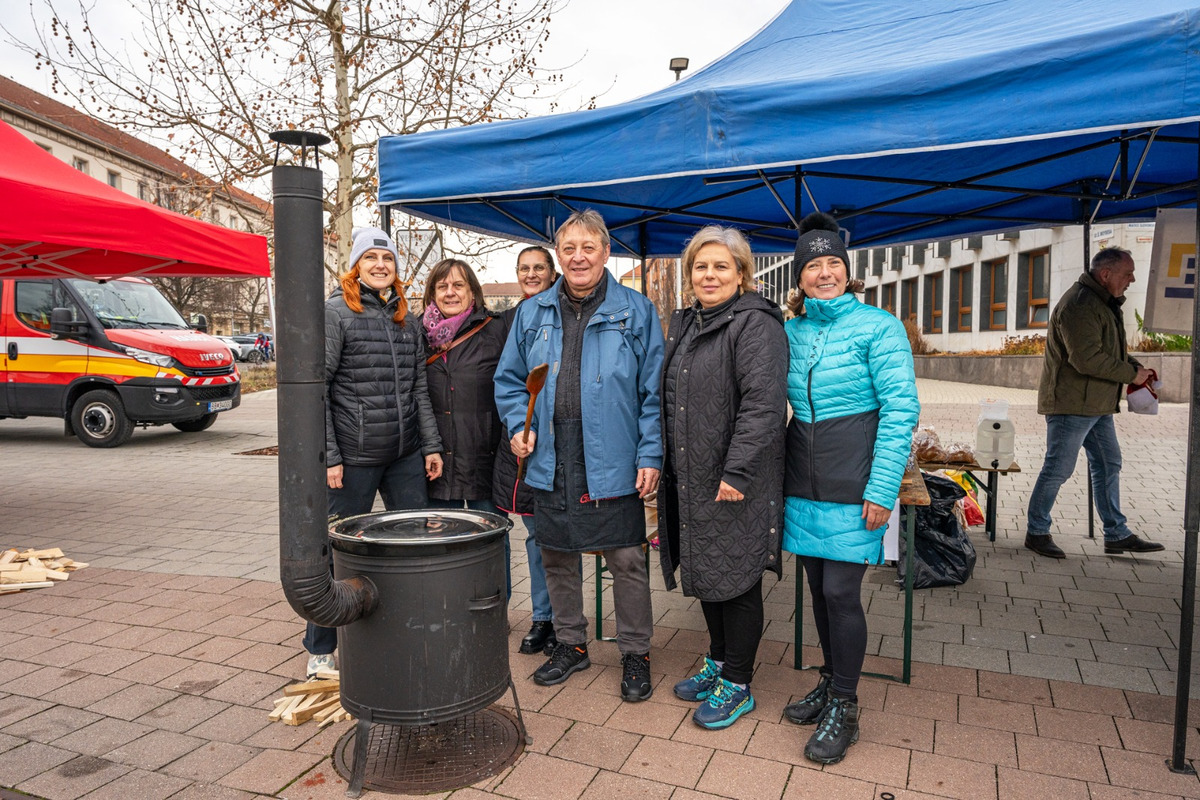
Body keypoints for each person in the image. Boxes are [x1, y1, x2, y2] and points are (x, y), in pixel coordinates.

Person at [495, 209, 664, 701]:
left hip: (612, 452)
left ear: (606, 252)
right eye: (568, 249)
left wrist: (649, 453)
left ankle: (636, 652)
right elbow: (509, 382)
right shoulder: (532, 312)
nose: (578, 257)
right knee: (556, 554)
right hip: (550, 453)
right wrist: (516, 428)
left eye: (588, 247)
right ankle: (571, 643)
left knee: (627, 558)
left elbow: (652, 391)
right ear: (558, 256)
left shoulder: (636, 310)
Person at [782, 212, 919, 764]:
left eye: (833, 264)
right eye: (812, 266)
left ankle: (846, 703)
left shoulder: (878, 327)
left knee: (841, 592)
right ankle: (829, 678)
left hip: (855, 479)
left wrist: (883, 489)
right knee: (817, 590)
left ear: (848, 271)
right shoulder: (790, 330)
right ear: (799, 277)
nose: (824, 273)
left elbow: (901, 408)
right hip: (803, 478)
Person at [659, 226, 787, 729]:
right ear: (689, 274)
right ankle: (717, 661)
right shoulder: (687, 322)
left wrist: (737, 468)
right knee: (709, 572)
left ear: (741, 272)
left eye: (720, 266)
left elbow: (763, 404)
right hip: (691, 473)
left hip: (734, 477)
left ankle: (738, 681)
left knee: (737, 580)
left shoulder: (755, 325)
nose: (709, 275)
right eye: (700, 266)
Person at [305, 227, 444, 679]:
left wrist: (430, 445)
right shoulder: (336, 313)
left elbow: (419, 388)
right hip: (354, 457)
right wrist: (329, 456)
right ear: (356, 266)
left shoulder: (407, 318)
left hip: (404, 455)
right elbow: (318, 390)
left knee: (415, 546)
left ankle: (413, 629)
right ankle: (321, 648)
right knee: (337, 550)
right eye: (371, 258)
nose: (381, 264)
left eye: (387, 258)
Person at [1024, 247, 1164, 558]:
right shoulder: (1080, 305)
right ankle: (1036, 531)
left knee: (1108, 462)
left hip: (1095, 404)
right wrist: (1131, 374)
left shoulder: (1103, 303)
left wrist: (1137, 369)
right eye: (1127, 273)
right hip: (1072, 404)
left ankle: (1116, 533)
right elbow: (1086, 359)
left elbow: (1108, 352)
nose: (1132, 279)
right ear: (1105, 274)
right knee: (1058, 468)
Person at [492, 245, 571, 656]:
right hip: (521, 444)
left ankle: (564, 623)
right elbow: (504, 382)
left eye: (540, 267)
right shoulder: (507, 320)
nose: (532, 274)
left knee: (556, 538)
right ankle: (543, 618)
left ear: (552, 271)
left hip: (565, 446)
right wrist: (516, 428)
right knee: (536, 535)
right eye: (525, 268)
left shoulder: (565, 310)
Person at [421, 258, 511, 589]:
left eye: (458, 285)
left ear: (472, 290)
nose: (450, 292)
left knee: (490, 540)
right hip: (435, 461)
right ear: (432, 292)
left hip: (483, 457)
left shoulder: (495, 329)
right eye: (442, 286)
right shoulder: (417, 332)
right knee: (437, 543)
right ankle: (446, 611)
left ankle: (493, 608)